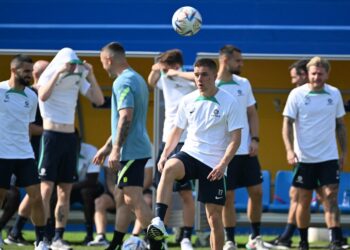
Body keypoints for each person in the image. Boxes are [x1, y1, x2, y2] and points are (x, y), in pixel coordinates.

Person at [147, 58, 244, 250]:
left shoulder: (230, 102)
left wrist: (223, 164)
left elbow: (236, 139)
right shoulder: (187, 100)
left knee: (214, 218)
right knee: (169, 167)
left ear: (215, 76)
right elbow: (176, 131)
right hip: (190, 154)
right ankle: (158, 220)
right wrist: (165, 153)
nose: (199, 79)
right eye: (197, 74)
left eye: (204, 75)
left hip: (214, 163)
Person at [37, 48, 104, 250]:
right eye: (71, 64)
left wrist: (90, 74)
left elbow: (99, 100)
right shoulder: (50, 74)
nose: (74, 68)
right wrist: (59, 72)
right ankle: (41, 237)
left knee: (64, 191)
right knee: (46, 189)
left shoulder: (78, 76)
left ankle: (58, 237)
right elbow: (43, 96)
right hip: (51, 136)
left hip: (69, 138)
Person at [93, 41, 154, 250]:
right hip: (136, 147)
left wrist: (117, 149)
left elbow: (125, 117)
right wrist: (107, 146)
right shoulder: (137, 78)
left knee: (132, 198)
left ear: (109, 59)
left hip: (131, 150)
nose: (103, 67)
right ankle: (116, 244)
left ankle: (157, 242)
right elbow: (127, 120)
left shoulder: (122, 82)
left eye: (102, 62)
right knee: (127, 200)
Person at [282, 56, 347, 250]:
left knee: (331, 196)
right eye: (313, 73)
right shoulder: (296, 94)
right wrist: (289, 150)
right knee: (303, 199)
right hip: (304, 158)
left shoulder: (334, 94)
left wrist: (343, 152)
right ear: (307, 74)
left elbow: (340, 125)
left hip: (328, 157)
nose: (317, 77)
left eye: (320, 73)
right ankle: (303, 241)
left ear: (327, 74)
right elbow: (286, 123)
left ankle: (335, 241)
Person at [216, 45, 269, 250]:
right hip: (224, 153)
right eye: (238, 60)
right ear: (225, 60)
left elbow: (252, 113)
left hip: (246, 150)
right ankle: (230, 240)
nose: (241, 64)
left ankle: (255, 237)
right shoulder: (213, 84)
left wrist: (255, 139)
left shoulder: (243, 83)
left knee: (256, 192)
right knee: (228, 197)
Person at [147, 49, 196, 250]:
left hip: (187, 142)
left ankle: (186, 237)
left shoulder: (191, 78)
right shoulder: (164, 79)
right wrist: (156, 68)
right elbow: (151, 81)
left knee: (186, 193)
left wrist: (176, 73)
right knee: (162, 190)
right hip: (168, 142)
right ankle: (161, 236)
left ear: (176, 65)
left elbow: (196, 76)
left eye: (168, 66)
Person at [0, 54, 48, 250]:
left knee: (36, 196)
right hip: (2, 154)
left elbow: (28, 127)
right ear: (14, 71)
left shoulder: (31, 96)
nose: (30, 75)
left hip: (25, 154)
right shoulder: (0, 90)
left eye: (31, 71)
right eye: (26, 71)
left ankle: (40, 242)